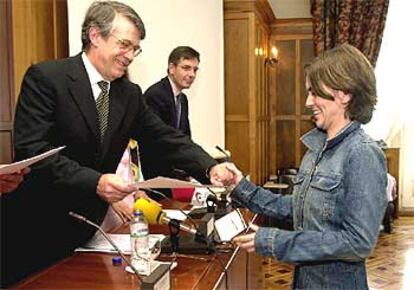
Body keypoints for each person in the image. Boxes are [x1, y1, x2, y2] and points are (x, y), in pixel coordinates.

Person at [0, 1, 230, 287]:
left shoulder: (129, 94)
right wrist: (95, 182)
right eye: (125, 44)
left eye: (136, 48)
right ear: (95, 35)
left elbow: (164, 136)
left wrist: (209, 167)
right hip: (36, 229)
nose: (131, 55)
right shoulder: (47, 78)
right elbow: (33, 151)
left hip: (86, 233)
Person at [229, 44, 387, 289]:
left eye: (314, 93)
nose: (307, 101)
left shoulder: (362, 153)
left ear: (344, 93)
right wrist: (240, 186)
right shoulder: (317, 148)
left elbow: (358, 242)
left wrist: (276, 241)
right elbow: (298, 207)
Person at [141, 46, 200, 183]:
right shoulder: (156, 94)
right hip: (156, 175)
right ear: (172, 68)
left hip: (175, 173)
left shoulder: (182, 99)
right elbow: (159, 139)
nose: (192, 74)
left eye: (195, 69)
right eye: (186, 68)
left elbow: (184, 136)